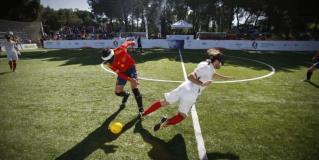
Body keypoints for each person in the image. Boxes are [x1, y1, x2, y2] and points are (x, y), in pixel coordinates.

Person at [142, 48, 234, 131]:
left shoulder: (207, 65)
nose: (221, 64)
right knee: (182, 116)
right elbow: (190, 76)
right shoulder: (207, 67)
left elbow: (213, 73)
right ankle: (165, 123)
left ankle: (144, 113)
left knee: (164, 102)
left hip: (184, 87)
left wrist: (226, 77)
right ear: (216, 61)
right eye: (220, 62)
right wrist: (202, 84)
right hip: (191, 93)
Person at [102, 40, 144, 116]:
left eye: (110, 59)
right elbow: (119, 73)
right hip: (122, 72)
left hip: (131, 68)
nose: (109, 62)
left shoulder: (120, 49)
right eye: (107, 60)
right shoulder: (109, 64)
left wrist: (133, 42)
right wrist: (130, 79)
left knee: (134, 88)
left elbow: (127, 42)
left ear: (113, 54)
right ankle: (126, 94)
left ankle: (141, 110)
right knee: (117, 92)